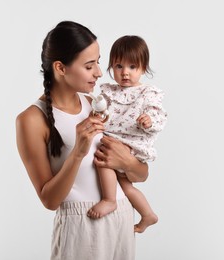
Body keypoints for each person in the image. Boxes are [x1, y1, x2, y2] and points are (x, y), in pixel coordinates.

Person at [16, 21, 149, 260]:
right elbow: (50, 200)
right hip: (83, 224)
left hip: (122, 216)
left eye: (98, 62)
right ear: (60, 68)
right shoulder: (31, 120)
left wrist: (127, 163)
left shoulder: (95, 105)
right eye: (89, 66)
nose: (99, 72)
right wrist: (78, 151)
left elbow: (141, 175)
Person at [87, 35, 167, 233]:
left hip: (131, 143)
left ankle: (109, 199)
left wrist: (148, 120)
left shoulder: (147, 93)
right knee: (125, 185)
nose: (125, 73)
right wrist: (97, 112)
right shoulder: (109, 91)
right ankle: (148, 214)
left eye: (132, 67)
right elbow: (100, 109)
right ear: (111, 67)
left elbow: (159, 115)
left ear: (143, 68)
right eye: (118, 66)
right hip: (115, 139)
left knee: (102, 159)